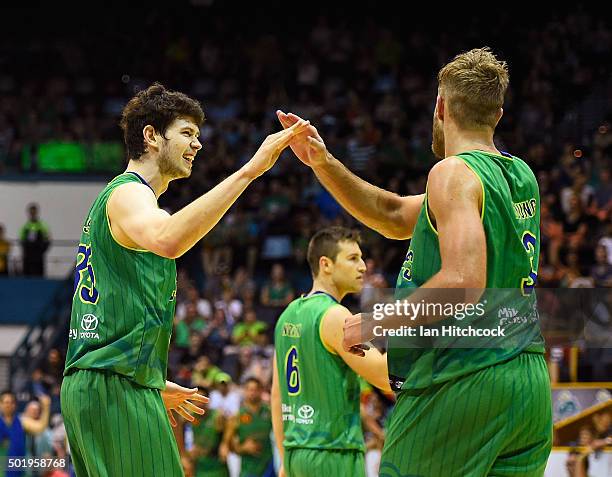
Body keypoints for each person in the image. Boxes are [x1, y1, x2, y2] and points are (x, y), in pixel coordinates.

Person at [278, 47, 552, 476]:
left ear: (440, 107)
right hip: (527, 383)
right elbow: (392, 215)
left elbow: (463, 281)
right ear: (497, 114)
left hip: (459, 377)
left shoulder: (451, 173)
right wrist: (323, 163)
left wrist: (374, 321)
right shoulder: (520, 176)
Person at [61, 83, 309, 476]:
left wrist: (151, 376)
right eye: (187, 133)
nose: (198, 144)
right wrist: (250, 170)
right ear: (151, 136)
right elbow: (170, 239)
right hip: (113, 385)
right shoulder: (129, 195)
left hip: (110, 381)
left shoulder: (130, 202)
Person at [271, 227, 391, 477]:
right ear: (325, 264)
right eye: (352, 258)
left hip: (296, 453)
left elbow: (277, 396)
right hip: (334, 453)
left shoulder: (287, 315)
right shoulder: (335, 315)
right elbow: (383, 376)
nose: (363, 267)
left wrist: (284, 459)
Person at [226, 377, 273, 477]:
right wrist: (242, 448)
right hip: (249, 469)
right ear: (244, 391)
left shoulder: (269, 411)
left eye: (256, 389)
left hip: (269, 465)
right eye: (250, 389)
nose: (253, 392)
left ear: (261, 391)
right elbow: (229, 445)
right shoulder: (237, 416)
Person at [0, 391, 51, 477]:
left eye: (11, 402)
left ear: (15, 405)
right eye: (6, 402)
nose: (8, 405)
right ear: (0, 404)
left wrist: (46, 407)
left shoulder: (22, 421)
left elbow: (40, 427)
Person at [188, 388, 229, 477]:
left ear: (207, 400)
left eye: (202, 399)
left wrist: (225, 443)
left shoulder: (218, 415)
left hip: (216, 464)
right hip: (200, 465)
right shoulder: (190, 416)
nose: (199, 403)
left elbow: (230, 426)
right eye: (196, 400)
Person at [19, 203, 50, 276]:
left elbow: (48, 240)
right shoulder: (25, 227)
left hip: (38, 257)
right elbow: (21, 241)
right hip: (28, 257)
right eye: (31, 212)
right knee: (27, 276)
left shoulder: (42, 226)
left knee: (39, 276)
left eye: (34, 212)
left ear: (36, 212)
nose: (33, 214)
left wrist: (42, 251)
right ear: (29, 213)